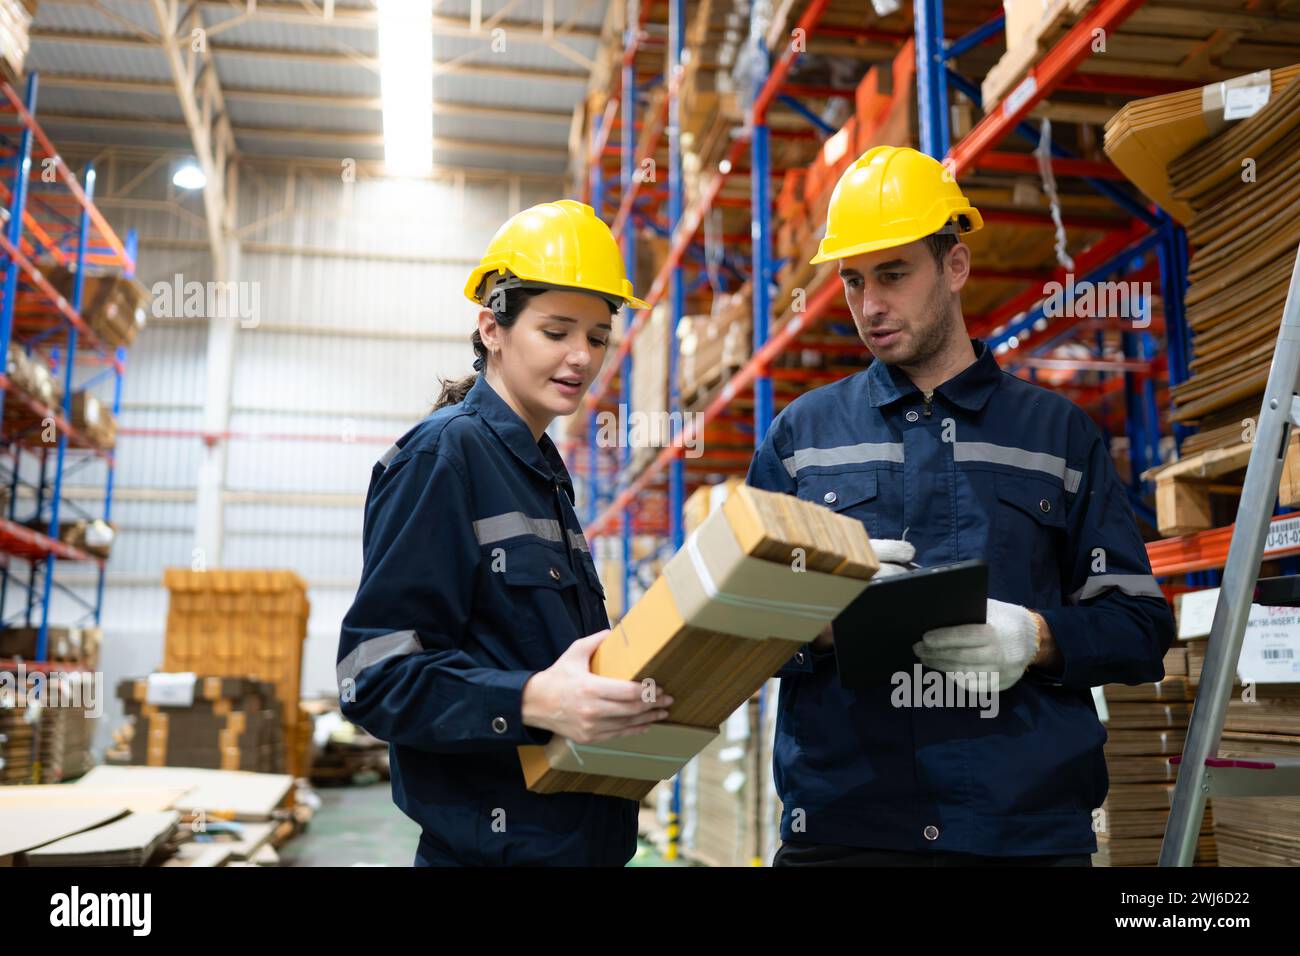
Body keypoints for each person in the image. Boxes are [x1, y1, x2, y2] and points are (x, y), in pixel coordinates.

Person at [746, 145, 1176, 866]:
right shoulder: (802, 439)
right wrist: (818, 622)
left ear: (954, 266)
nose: (870, 305)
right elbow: (732, 629)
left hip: (1020, 835)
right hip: (845, 834)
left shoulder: (1056, 435)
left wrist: (1037, 638)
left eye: (893, 274)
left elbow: (1138, 627)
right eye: (853, 281)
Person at [337, 200, 672, 866]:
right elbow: (371, 678)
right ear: (492, 327)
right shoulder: (444, 458)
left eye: (598, 336)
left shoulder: (543, 472)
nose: (581, 356)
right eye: (556, 331)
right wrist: (532, 700)